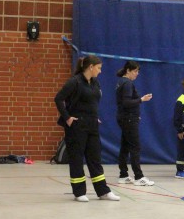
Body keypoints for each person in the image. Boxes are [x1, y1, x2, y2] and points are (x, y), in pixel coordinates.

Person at [54, 56, 120, 202]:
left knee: (95, 159)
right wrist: (68, 118)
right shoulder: (75, 81)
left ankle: (103, 191)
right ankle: (79, 192)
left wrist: (93, 117)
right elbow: (58, 98)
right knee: (77, 159)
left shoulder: (95, 82)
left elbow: (92, 102)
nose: (100, 71)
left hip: (92, 125)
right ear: (90, 67)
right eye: (99, 68)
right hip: (77, 126)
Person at [115, 60, 154, 186]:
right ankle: (138, 177)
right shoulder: (127, 83)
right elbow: (126, 102)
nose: (137, 74)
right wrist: (141, 99)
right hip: (128, 119)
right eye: (135, 71)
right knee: (135, 147)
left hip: (127, 118)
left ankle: (123, 175)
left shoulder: (121, 82)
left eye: (138, 71)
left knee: (125, 146)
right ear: (128, 70)